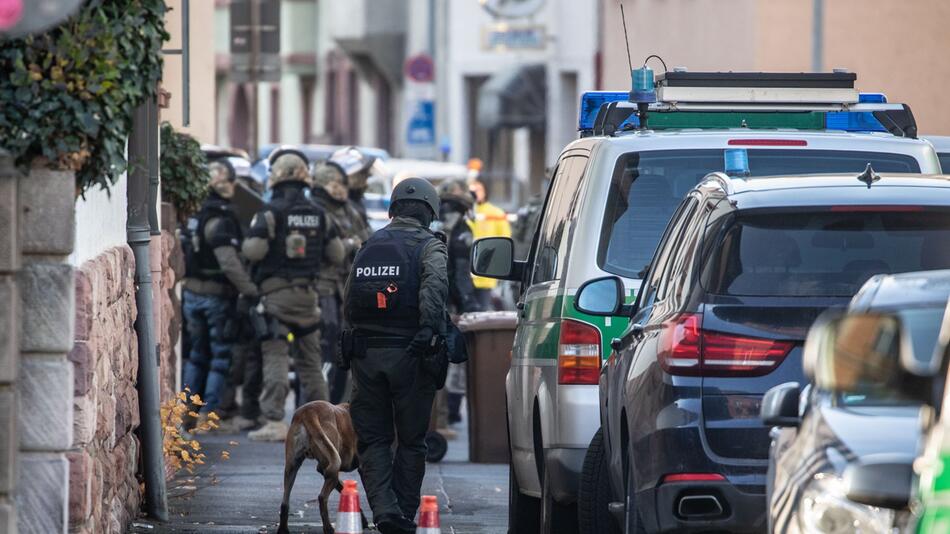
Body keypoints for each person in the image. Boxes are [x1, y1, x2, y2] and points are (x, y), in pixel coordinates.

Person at [343, 177, 448, 534]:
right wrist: (429, 330)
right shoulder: (430, 246)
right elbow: (435, 287)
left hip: (367, 354)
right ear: (430, 214)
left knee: (372, 438)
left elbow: (349, 298)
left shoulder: (369, 244)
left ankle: (385, 511)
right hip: (411, 354)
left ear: (392, 211)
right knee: (412, 439)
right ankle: (402, 511)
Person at [241, 148, 345, 442]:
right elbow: (336, 254)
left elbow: (254, 251)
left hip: (276, 298)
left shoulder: (270, 212)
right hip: (309, 299)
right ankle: (325, 424)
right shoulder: (320, 214)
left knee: (275, 356)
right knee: (311, 363)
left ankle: (274, 421)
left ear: (276, 179)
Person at [181, 159, 258, 422]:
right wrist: (250, 290)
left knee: (195, 356)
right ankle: (208, 414)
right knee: (220, 357)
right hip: (216, 296)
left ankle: (187, 411)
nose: (233, 186)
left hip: (191, 294)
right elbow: (228, 262)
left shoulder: (195, 213)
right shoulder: (221, 218)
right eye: (229, 180)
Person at [311, 161, 372, 403]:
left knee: (343, 349)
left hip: (345, 287)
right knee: (325, 349)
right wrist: (350, 243)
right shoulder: (317, 209)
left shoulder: (349, 209)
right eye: (333, 184)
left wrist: (352, 243)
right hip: (323, 287)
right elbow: (335, 253)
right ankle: (318, 405)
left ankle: (337, 406)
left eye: (341, 183)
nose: (340, 189)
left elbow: (367, 239)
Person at [436, 179, 483, 427]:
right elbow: (461, 273)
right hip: (449, 303)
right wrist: (470, 305)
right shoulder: (461, 226)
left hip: (427, 297)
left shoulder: (431, 219)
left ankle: (439, 420)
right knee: (451, 361)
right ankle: (444, 419)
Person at [469, 178, 512, 310]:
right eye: (472, 190)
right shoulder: (466, 212)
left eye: (479, 189)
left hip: (484, 272)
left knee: (482, 309)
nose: (475, 193)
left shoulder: (496, 213)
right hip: (463, 272)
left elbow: (505, 238)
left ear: (485, 191)